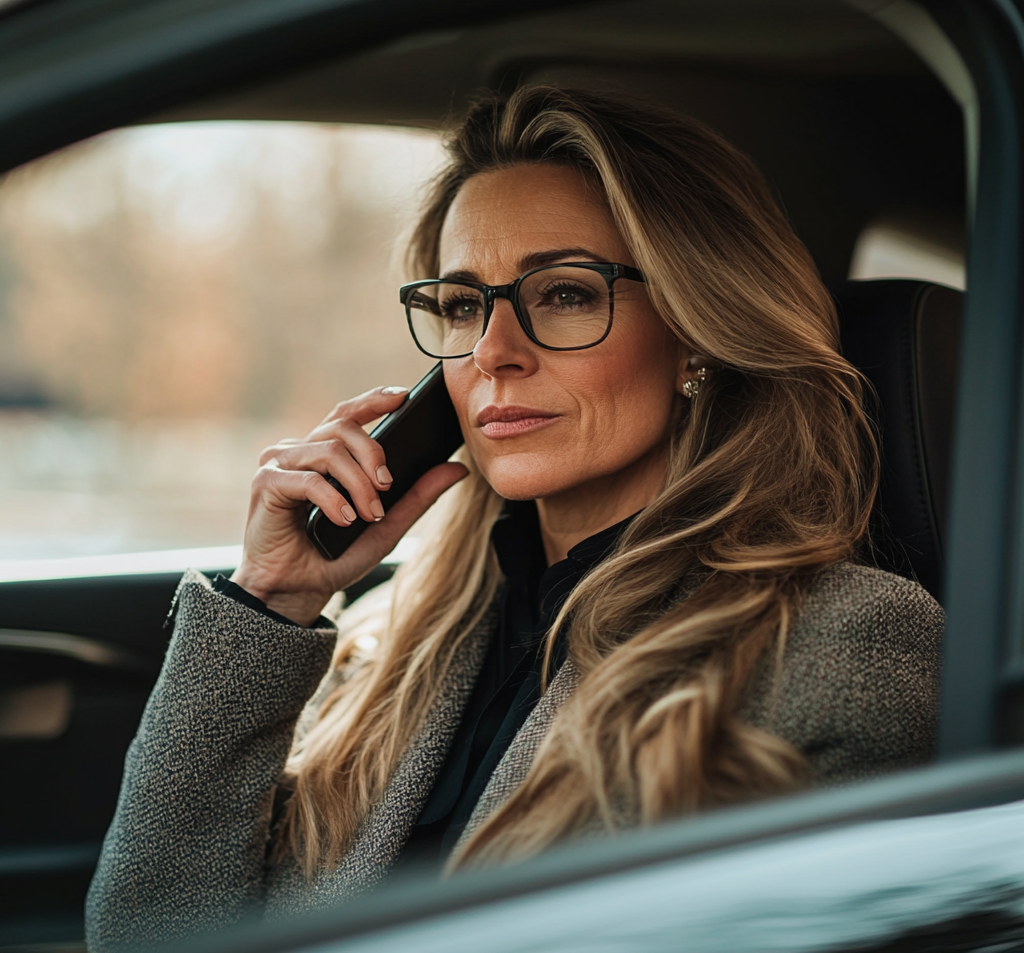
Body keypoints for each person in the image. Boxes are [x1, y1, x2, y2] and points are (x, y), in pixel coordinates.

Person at [86, 86, 943, 950]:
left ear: (696, 333)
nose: (493, 350)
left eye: (565, 293)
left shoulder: (842, 643)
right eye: (462, 305)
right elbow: (148, 936)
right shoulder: (393, 639)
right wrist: (270, 600)